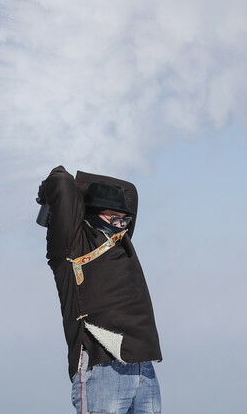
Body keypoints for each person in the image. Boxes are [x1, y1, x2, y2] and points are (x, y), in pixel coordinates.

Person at [38, 165, 162, 414]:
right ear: (90, 214)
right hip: (101, 363)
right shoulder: (71, 245)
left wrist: (89, 187)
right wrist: (48, 194)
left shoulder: (121, 239)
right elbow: (62, 183)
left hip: (141, 363)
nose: (122, 225)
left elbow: (129, 192)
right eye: (112, 219)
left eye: (124, 219)